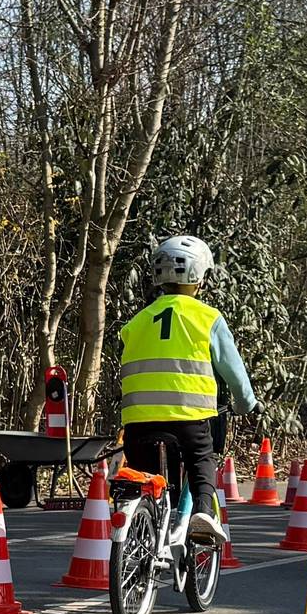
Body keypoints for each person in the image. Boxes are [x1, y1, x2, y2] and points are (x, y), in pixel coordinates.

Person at [114, 234, 259, 546]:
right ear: (199, 277)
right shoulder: (207, 318)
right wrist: (246, 404)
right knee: (201, 459)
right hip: (189, 420)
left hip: (138, 423)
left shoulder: (136, 322)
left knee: (147, 480)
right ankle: (204, 513)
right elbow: (234, 373)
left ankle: (144, 539)